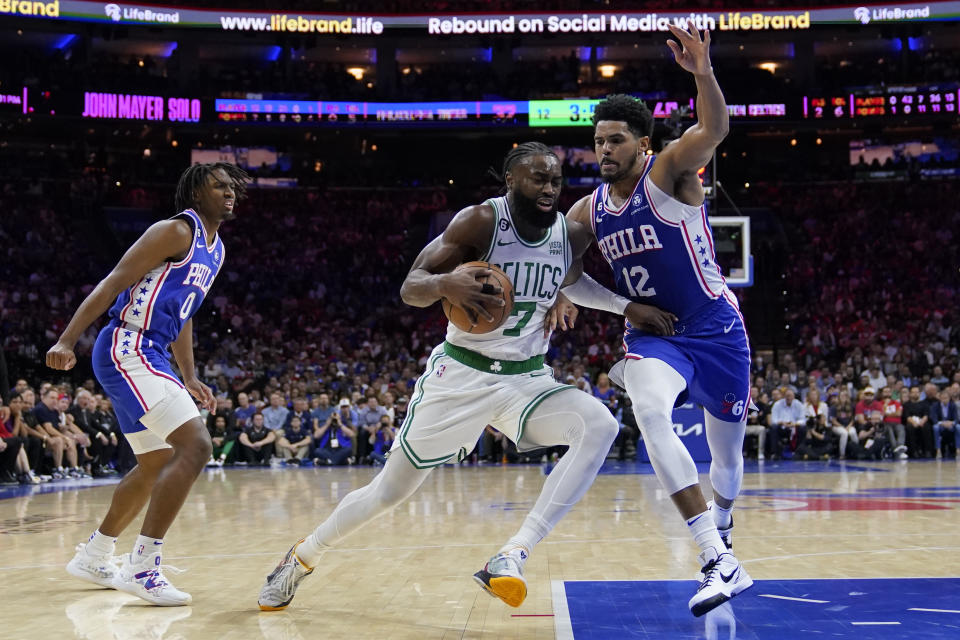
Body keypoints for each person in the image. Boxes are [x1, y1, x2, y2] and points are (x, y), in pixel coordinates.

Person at [257, 142, 667, 613]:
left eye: (555, 180)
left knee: (600, 425)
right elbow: (410, 287)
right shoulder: (480, 222)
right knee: (389, 493)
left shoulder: (571, 234)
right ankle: (301, 557)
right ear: (511, 180)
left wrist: (614, 304)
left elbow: (573, 279)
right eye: (537, 178)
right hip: (462, 375)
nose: (549, 188)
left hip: (527, 378)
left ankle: (510, 555)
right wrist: (442, 284)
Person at [559, 22, 752, 615]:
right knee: (647, 411)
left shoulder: (668, 171)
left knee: (726, 458)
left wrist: (702, 73)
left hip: (716, 330)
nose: (604, 151)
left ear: (641, 145)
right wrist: (617, 306)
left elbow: (714, 128)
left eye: (616, 140)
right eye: (597, 141)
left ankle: (721, 528)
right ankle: (715, 557)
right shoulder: (585, 212)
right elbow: (566, 276)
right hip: (654, 336)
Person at [48, 162, 249, 606]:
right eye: (219, 186)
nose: (229, 193)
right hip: (127, 345)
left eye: (232, 187)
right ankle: (143, 566)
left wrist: (190, 375)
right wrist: (67, 339)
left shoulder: (216, 250)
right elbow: (113, 281)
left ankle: (96, 554)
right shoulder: (175, 231)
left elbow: (184, 312)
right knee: (195, 447)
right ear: (197, 194)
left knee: (157, 461)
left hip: (152, 352)